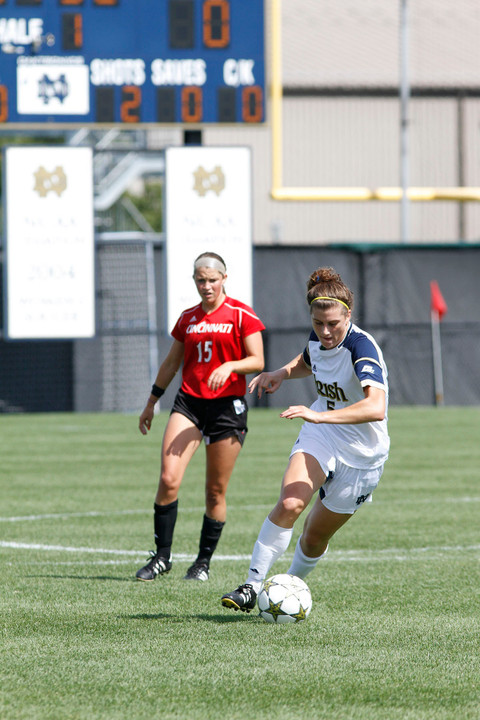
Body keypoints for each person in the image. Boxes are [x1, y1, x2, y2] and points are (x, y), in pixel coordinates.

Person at [221, 266, 389, 612]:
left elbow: (376, 407)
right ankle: (252, 587)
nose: (325, 332)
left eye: (333, 324)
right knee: (290, 503)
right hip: (322, 434)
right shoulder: (318, 338)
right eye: (317, 324)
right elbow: (309, 360)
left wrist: (319, 413)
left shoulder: (361, 346)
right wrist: (281, 373)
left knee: (314, 536)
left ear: (348, 315)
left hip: (363, 455)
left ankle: (290, 587)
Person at [136, 251, 265, 582]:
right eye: (200, 280)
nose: (206, 286)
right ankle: (162, 557)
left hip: (226, 408)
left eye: (212, 279)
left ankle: (202, 563)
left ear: (224, 278)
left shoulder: (241, 314)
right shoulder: (188, 318)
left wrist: (230, 365)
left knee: (214, 491)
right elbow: (171, 363)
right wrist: (152, 401)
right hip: (189, 404)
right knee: (168, 479)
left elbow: (257, 361)